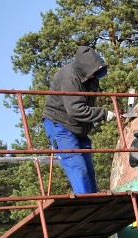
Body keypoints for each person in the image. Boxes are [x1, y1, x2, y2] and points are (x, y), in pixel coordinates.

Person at [42, 46, 115, 194]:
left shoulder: (92, 77)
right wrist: (103, 114)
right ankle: (87, 204)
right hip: (60, 125)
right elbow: (76, 109)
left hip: (78, 127)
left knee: (88, 172)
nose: (96, 76)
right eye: (94, 72)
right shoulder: (69, 77)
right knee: (77, 168)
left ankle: (93, 203)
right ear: (85, 68)